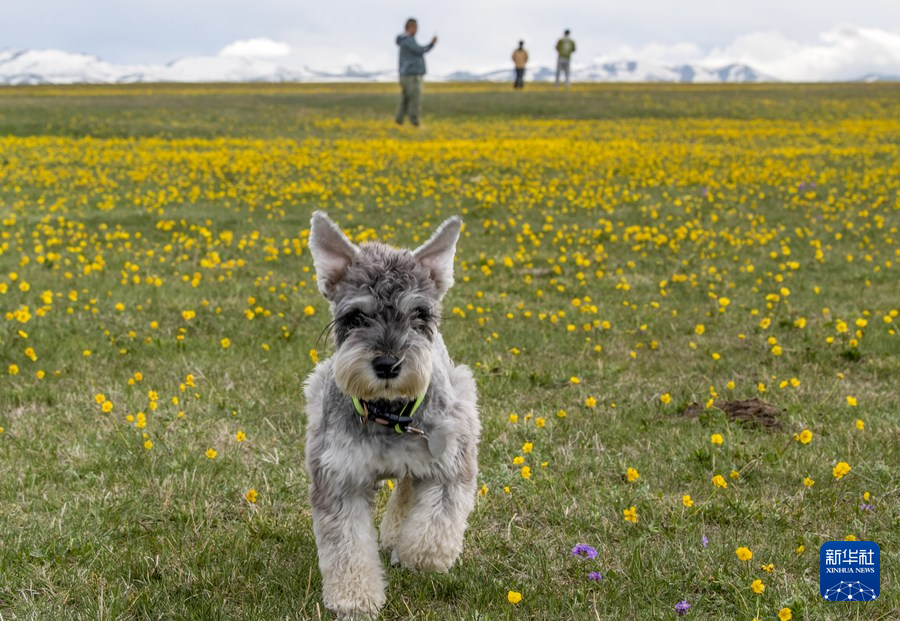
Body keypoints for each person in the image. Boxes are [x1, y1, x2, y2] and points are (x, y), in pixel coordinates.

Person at [396, 18, 436, 127]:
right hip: (411, 75)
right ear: (408, 28)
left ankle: (399, 121)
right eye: (414, 27)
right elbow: (420, 50)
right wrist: (431, 44)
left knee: (405, 99)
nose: (416, 30)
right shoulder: (408, 40)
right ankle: (415, 123)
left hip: (405, 75)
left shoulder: (404, 40)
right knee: (414, 99)